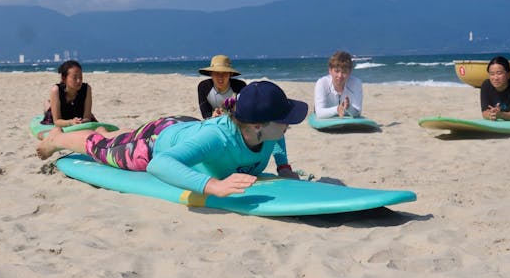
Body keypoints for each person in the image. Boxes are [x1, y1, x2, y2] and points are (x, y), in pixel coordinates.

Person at [36, 81, 308, 197]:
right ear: (258, 124)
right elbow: (159, 165)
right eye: (284, 118)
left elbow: (277, 141)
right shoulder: (217, 138)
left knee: (119, 137)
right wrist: (212, 186)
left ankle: (111, 132)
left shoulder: (270, 132)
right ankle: (56, 139)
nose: (289, 124)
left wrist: (284, 168)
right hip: (155, 142)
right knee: (99, 147)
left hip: (184, 128)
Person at [40, 60, 98, 127]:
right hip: (62, 117)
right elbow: (56, 121)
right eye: (75, 78)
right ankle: (47, 104)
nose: (79, 81)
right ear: (64, 78)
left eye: (80, 77)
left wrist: (81, 121)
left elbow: (87, 117)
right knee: (49, 108)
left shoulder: (87, 88)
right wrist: (71, 122)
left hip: (78, 117)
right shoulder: (56, 90)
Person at [314, 51, 363, 119]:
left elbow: (357, 112)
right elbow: (319, 113)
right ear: (330, 70)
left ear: (350, 72)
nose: (340, 76)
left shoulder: (356, 83)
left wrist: (349, 108)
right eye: (337, 71)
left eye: (344, 72)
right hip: (326, 114)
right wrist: (337, 109)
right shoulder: (322, 83)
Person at [481, 56, 510, 121]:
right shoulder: (486, 85)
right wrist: (491, 115)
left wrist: (501, 115)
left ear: (508, 74)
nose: (495, 78)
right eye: (492, 74)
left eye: (499, 73)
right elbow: (484, 112)